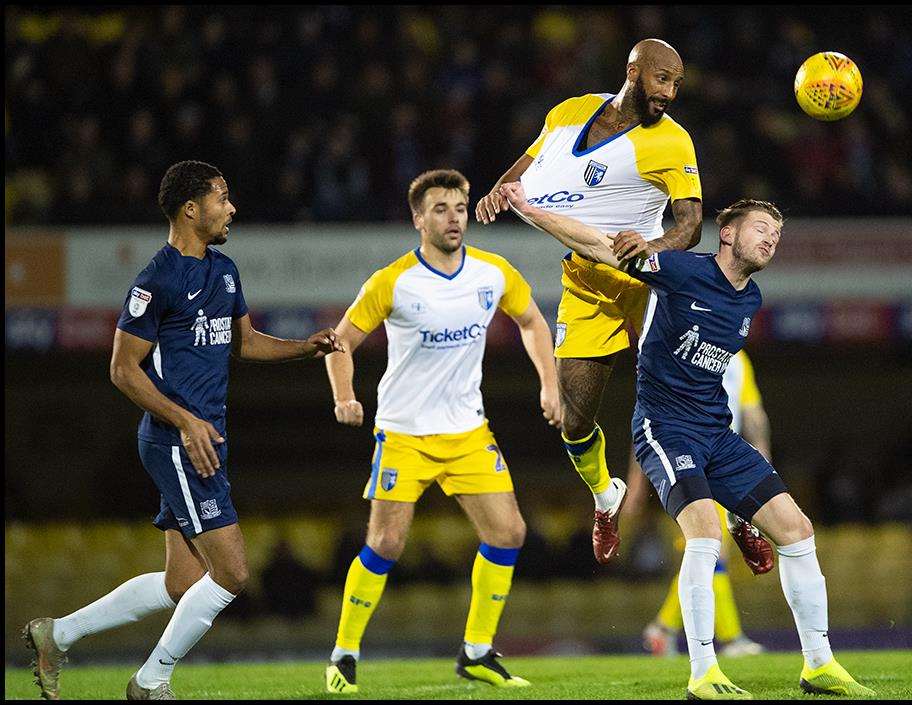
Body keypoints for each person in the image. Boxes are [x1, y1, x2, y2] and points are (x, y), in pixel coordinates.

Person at [501, 180, 875, 699]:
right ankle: (704, 672)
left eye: (778, 234)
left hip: (717, 434)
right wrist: (529, 208)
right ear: (727, 233)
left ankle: (819, 664)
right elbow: (597, 245)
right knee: (704, 536)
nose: (772, 240)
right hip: (664, 426)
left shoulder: (752, 298)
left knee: (797, 529)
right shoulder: (681, 269)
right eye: (762, 229)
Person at [22, 160, 344, 701]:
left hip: (204, 437)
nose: (232, 208)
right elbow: (122, 370)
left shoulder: (224, 271)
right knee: (235, 573)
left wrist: (303, 347)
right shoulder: (156, 280)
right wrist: (186, 419)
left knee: (181, 586)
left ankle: (58, 634)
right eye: (222, 197)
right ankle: (151, 681)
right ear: (191, 209)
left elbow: (243, 342)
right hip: (177, 442)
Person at [322, 169, 559, 694]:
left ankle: (476, 652)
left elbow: (532, 322)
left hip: (469, 432)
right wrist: (344, 395)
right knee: (386, 542)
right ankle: (344, 653)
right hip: (404, 433)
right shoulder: (392, 281)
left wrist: (549, 384)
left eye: (459, 207)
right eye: (440, 209)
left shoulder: (492, 273)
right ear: (417, 219)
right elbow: (339, 341)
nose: (453, 218)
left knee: (509, 533)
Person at [475, 39, 703, 564]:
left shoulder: (673, 142)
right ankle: (606, 496)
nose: (669, 92)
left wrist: (654, 247)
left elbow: (690, 225)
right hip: (587, 283)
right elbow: (520, 175)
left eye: (676, 84)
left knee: (684, 407)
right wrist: (496, 193)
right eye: (661, 79)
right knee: (574, 419)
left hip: (649, 285)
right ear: (633, 71)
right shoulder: (569, 112)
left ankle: (739, 515)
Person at [631, 350, 770, 657]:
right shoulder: (683, 347)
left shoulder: (739, 359)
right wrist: (638, 483)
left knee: (710, 551)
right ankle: (730, 638)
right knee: (711, 546)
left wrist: (762, 469)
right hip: (686, 456)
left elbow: (753, 415)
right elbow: (648, 414)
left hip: (724, 460)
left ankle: (663, 628)